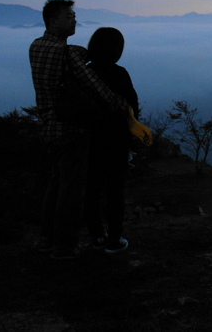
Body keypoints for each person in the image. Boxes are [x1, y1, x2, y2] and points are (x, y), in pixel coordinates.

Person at [29, 0, 127, 259]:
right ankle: (65, 247)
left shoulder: (36, 46)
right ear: (53, 21)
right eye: (69, 16)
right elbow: (95, 86)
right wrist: (120, 105)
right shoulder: (68, 53)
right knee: (71, 192)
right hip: (70, 129)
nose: (74, 20)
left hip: (47, 128)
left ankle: (45, 240)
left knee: (56, 185)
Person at [83, 27, 138, 255]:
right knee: (115, 191)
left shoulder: (85, 73)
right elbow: (132, 109)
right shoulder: (120, 73)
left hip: (89, 140)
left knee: (92, 190)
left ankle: (96, 236)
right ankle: (114, 239)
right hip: (116, 141)